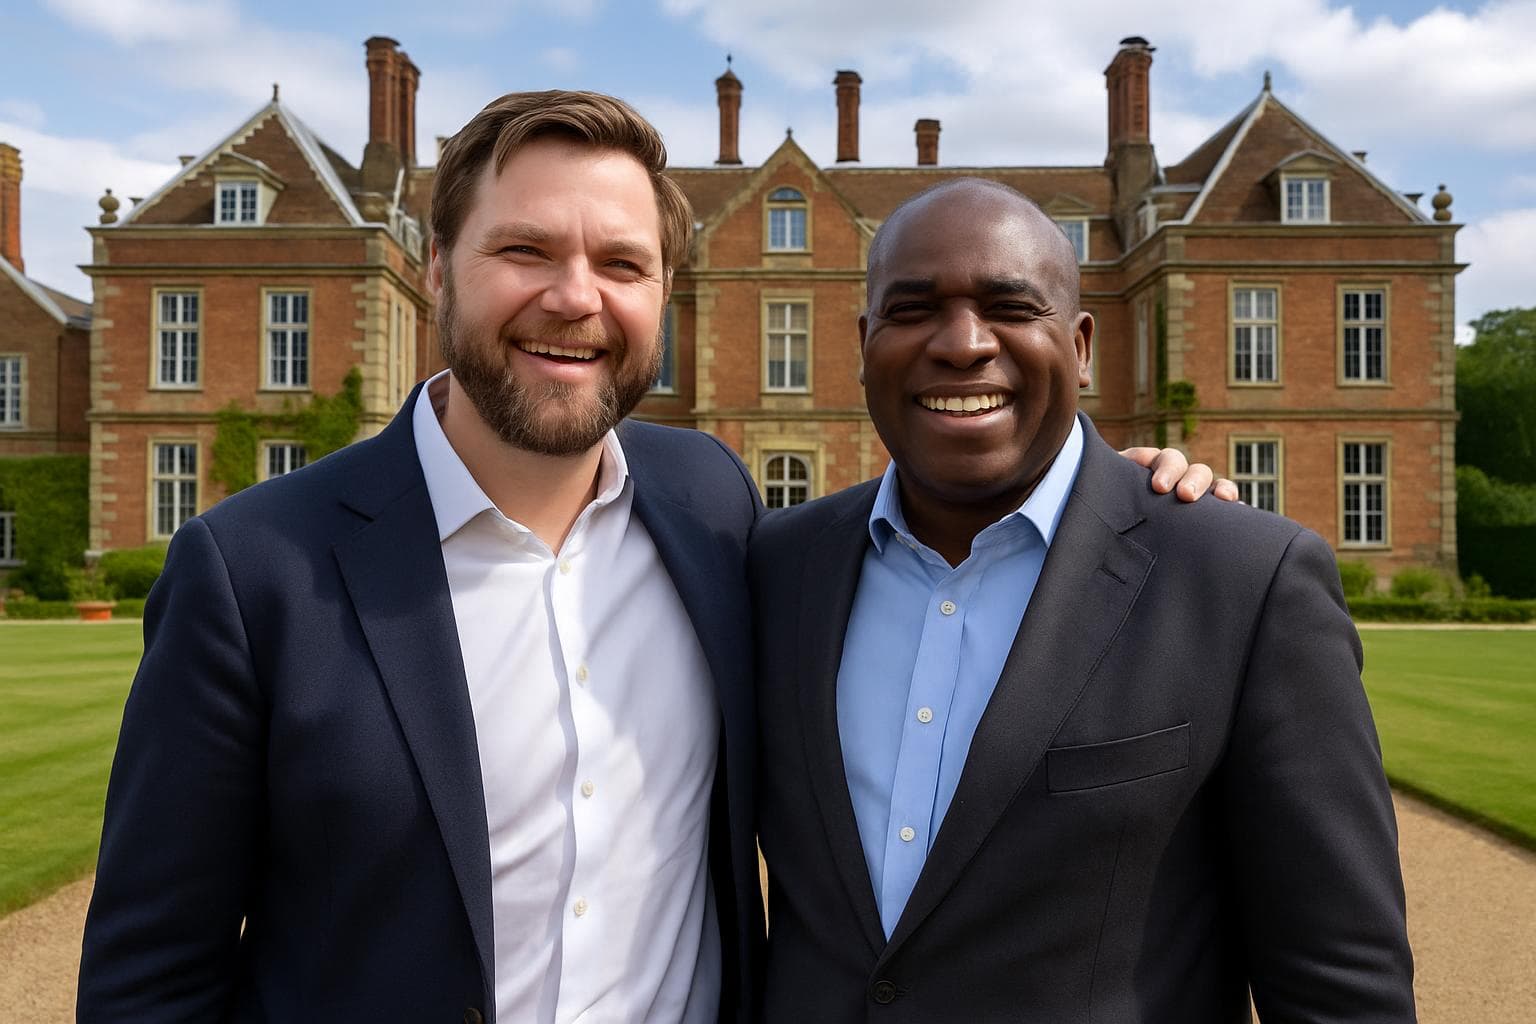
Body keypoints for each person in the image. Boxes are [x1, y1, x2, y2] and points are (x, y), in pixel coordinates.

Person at [78, 94, 1219, 1022]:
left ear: (665, 296)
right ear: (435, 268)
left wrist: (1120, 486)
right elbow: (148, 979)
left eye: (621, 264)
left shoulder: (711, 507)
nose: (575, 298)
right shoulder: (251, 569)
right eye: (524, 248)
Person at [749, 179, 1415, 1021]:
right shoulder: (777, 567)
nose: (962, 345)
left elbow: (1343, 987)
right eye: (913, 309)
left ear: (1083, 344)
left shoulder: (1240, 580)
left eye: (1010, 306)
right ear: (864, 341)